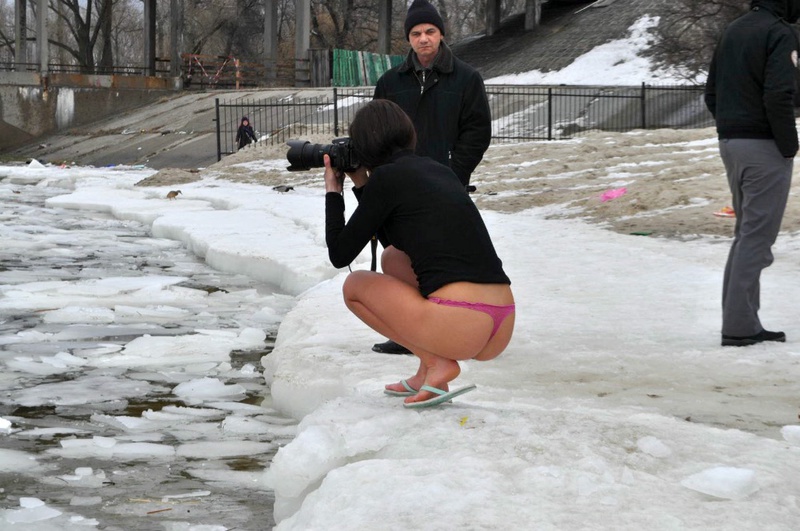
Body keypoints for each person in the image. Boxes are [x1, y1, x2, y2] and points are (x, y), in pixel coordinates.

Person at [323, 99, 514, 408]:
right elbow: (396, 241)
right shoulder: (439, 171)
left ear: (365, 145)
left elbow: (339, 254)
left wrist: (333, 191)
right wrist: (361, 183)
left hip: (462, 320)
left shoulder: (387, 179)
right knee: (393, 259)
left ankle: (436, 361)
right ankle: (426, 370)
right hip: (501, 322)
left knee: (354, 286)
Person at [371, 0, 492, 355]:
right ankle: (406, 330)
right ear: (407, 38)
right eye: (416, 33)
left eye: (430, 32)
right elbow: (376, 130)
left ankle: (448, 324)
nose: (424, 39)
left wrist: (453, 175)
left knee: (442, 256)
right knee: (397, 253)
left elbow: (477, 132)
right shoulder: (391, 82)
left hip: (445, 186)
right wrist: (384, 177)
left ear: (441, 34)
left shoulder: (466, 78)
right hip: (400, 187)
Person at [704, 0, 800, 347]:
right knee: (757, 238)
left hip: (731, 142)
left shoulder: (734, 29)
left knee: (746, 234)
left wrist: (732, 125)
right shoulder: (779, 32)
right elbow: (779, 94)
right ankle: (740, 327)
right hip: (763, 146)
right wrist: (789, 145)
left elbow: (711, 93)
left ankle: (743, 320)